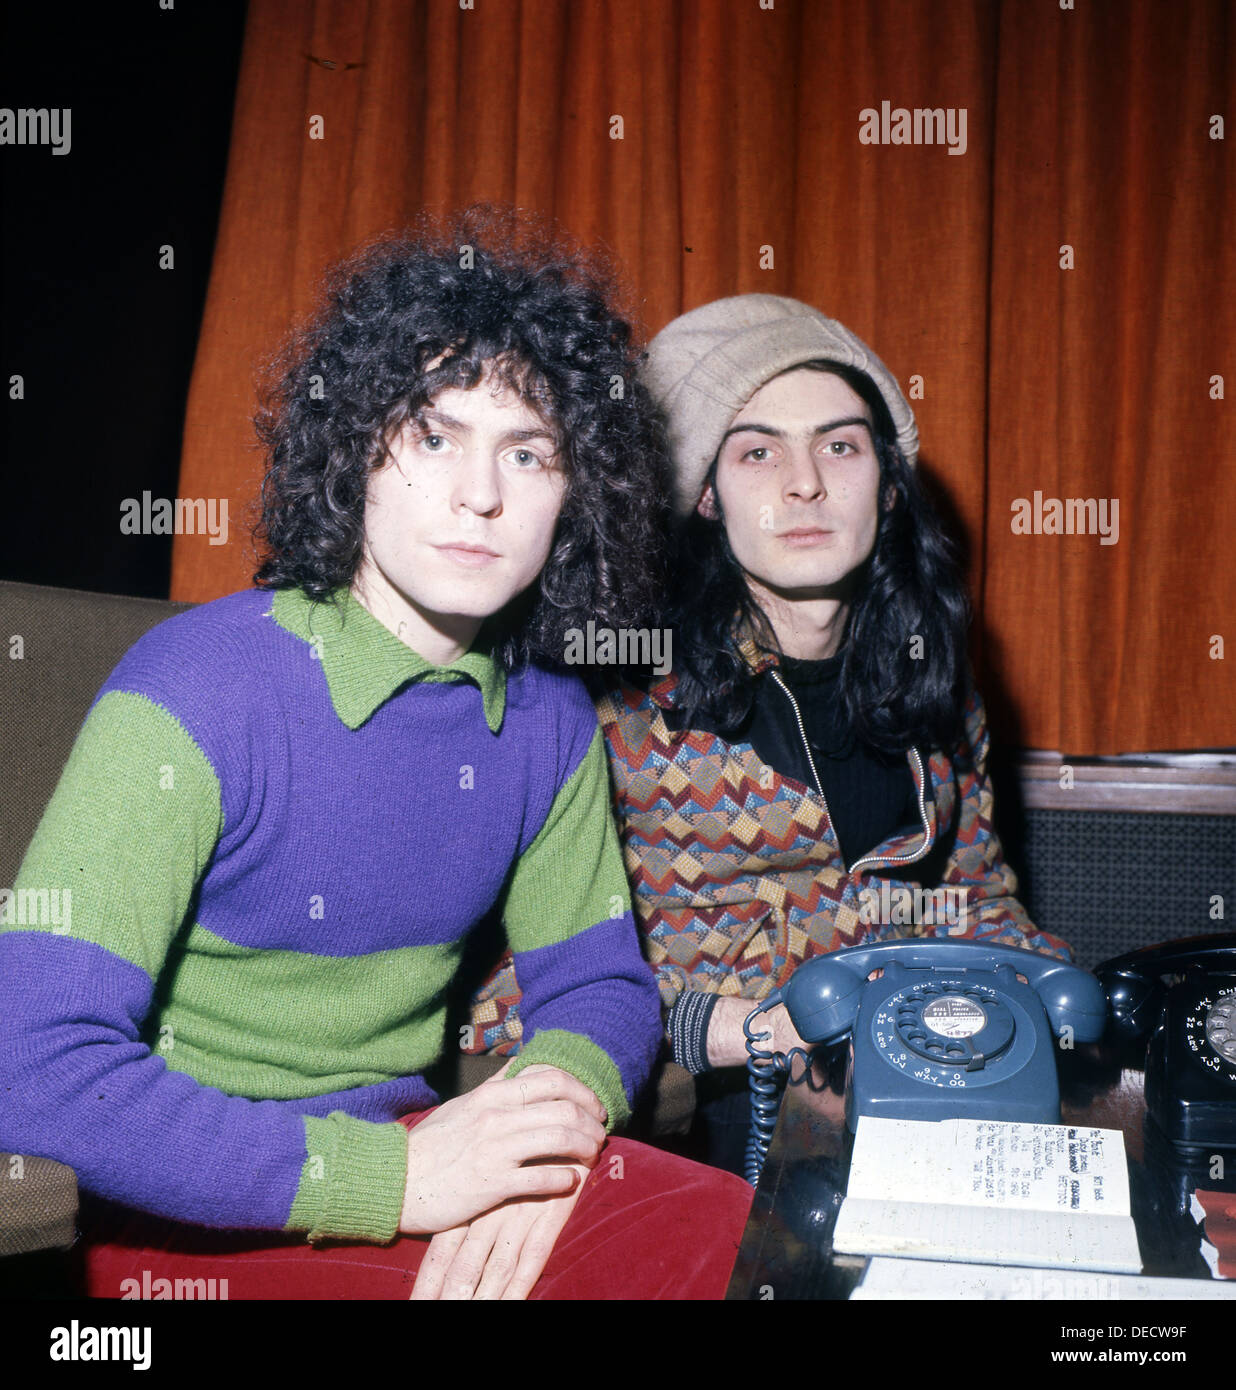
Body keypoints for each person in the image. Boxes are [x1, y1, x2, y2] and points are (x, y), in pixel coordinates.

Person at [0, 212, 752, 1298]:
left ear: (575, 495)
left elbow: (599, 983)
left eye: (528, 451)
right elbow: (32, 1060)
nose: (480, 494)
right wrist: (391, 1176)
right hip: (194, 1205)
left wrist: (545, 1133)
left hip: (422, 1150)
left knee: (746, 1245)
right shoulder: (194, 689)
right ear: (354, 447)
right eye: (435, 436)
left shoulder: (546, 718)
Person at [467, 294, 1073, 1176]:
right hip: (679, 1128)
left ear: (889, 482)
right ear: (706, 495)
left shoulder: (934, 681)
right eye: (758, 452)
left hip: (895, 1098)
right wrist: (719, 1028)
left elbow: (973, 900)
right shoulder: (605, 699)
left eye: (839, 444)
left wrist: (1075, 998)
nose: (806, 484)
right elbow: (474, 998)